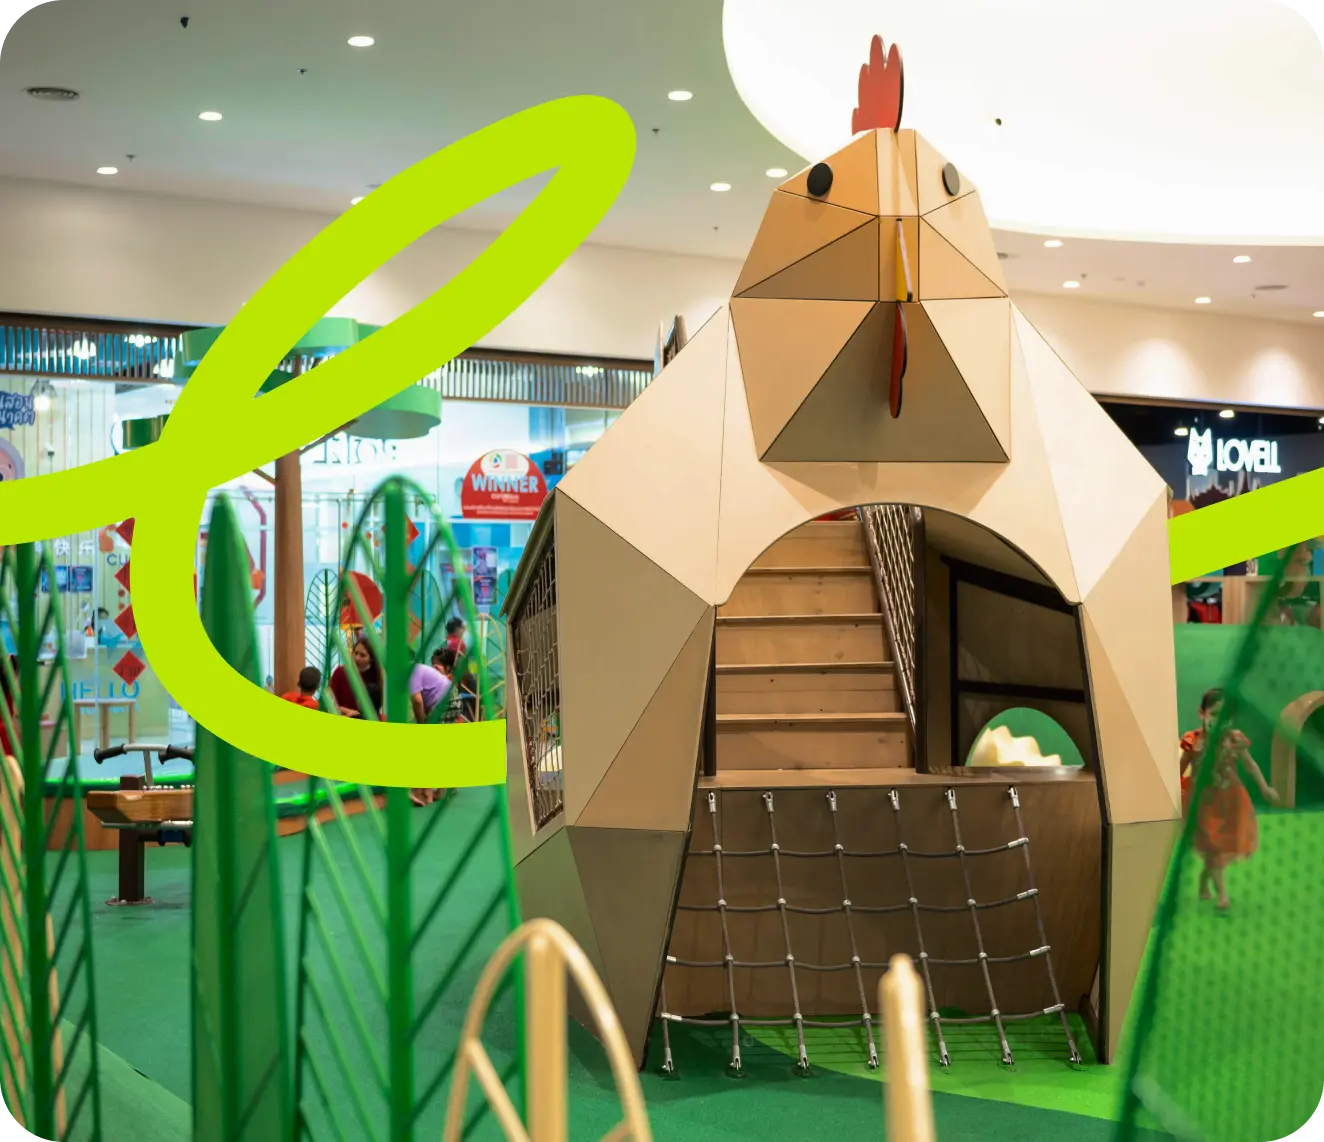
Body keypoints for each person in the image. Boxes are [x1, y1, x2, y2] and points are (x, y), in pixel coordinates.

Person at [1179, 688, 1279, 912]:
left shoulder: (1234, 740)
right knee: (1213, 846)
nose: (1221, 721)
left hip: (1230, 799)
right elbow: (1180, 768)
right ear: (1202, 714)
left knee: (1221, 847)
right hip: (1202, 802)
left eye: (1226, 717)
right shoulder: (1193, 742)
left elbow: (1250, 765)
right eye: (1215, 714)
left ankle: (1205, 880)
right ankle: (1222, 896)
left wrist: (1265, 788)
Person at [408, 657, 452, 807]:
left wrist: (422, 723)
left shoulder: (411, 672)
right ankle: (439, 790)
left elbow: (418, 701)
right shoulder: (419, 668)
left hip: (443, 703)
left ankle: (423, 793)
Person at [329, 637, 383, 719]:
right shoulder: (340, 672)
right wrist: (341, 709)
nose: (357, 658)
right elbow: (329, 701)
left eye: (362, 655)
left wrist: (358, 715)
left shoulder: (374, 676)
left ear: (371, 659)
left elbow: (374, 709)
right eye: (356, 653)